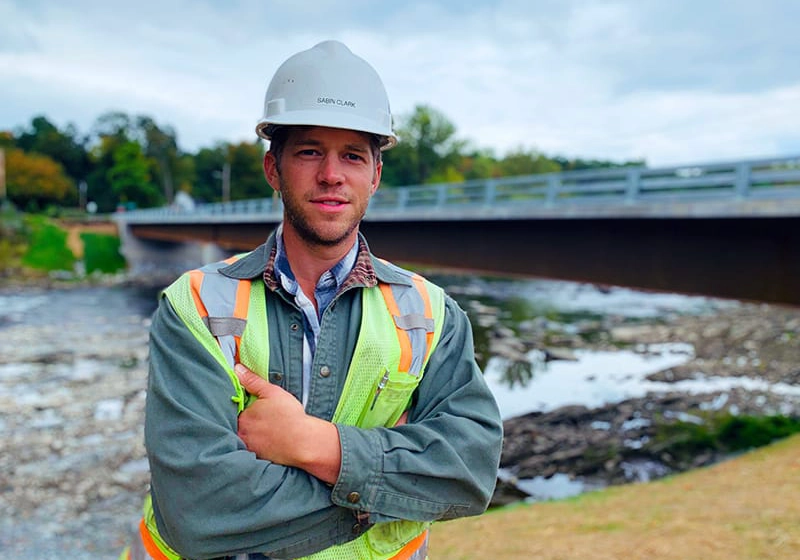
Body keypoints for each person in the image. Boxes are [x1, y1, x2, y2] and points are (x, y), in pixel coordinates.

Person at [124, 40, 503, 560]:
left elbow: (470, 472)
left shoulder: (432, 314)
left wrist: (313, 445)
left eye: (352, 155)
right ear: (273, 169)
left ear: (375, 175)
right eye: (309, 152)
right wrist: (396, 489)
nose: (331, 175)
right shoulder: (196, 305)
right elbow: (200, 510)